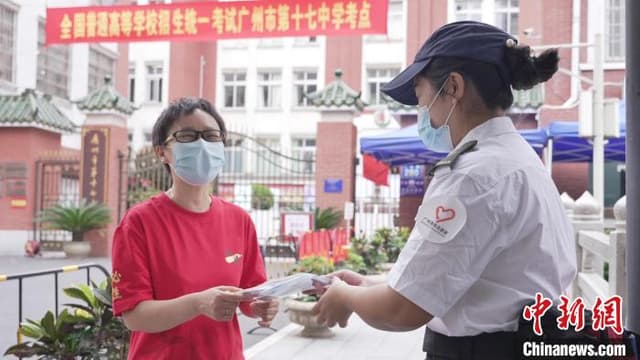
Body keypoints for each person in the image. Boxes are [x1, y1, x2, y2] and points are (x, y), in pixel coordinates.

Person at [313, 21, 577, 359]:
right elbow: (474, 283)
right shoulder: (519, 159)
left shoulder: (472, 175)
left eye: (421, 95)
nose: (421, 111)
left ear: (453, 87)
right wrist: (366, 287)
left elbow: (402, 310)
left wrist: (344, 297)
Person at [111, 98, 278, 359]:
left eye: (211, 136)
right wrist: (198, 304)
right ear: (162, 152)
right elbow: (134, 316)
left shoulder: (239, 220)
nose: (202, 144)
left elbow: (250, 293)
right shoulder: (139, 223)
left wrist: (260, 306)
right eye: (187, 136)